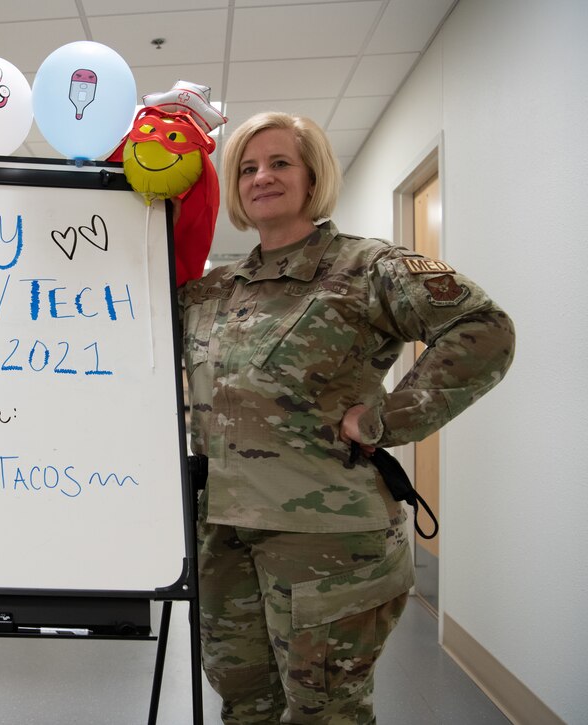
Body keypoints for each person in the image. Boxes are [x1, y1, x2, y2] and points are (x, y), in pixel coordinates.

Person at [178, 112, 515, 723]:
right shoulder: (210, 292)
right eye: (247, 168)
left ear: (312, 176)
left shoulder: (366, 267)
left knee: (325, 712)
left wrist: (389, 418)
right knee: (245, 703)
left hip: (325, 542)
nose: (262, 177)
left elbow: (484, 328)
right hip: (221, 534)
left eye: (280, 162)